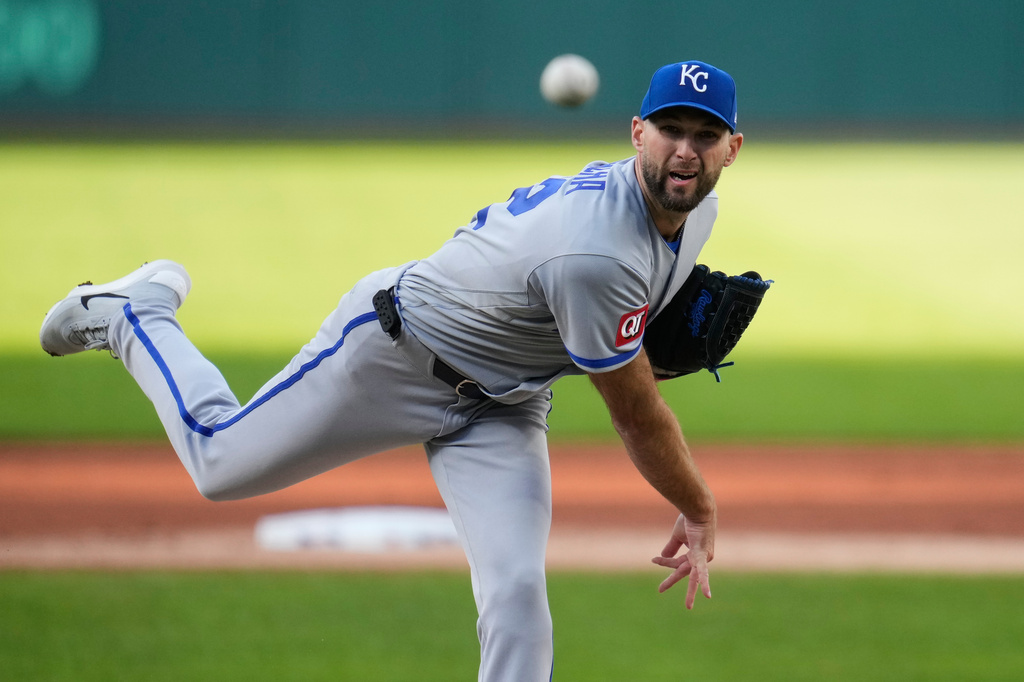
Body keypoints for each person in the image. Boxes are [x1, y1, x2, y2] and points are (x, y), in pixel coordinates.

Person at [40, 59, 743, 681]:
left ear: (731, 150)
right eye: (669, 129)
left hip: (503, 406)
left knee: (517, 593)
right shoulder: (598, 255)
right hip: (393, 355)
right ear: (636, 134)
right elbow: (634, 414)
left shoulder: (696, 212)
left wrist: (632, 341)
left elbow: (619, 338)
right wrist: (699, 505)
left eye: (704, 135)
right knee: (219, 463)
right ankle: (137, 314)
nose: (685, 150)